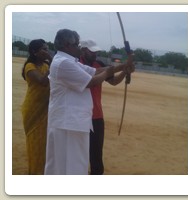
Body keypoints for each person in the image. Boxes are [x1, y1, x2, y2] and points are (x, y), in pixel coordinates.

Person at [44, 29, 134, 175]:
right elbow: (91, 81)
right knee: (70, 167)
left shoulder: (68, 61)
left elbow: (94, 71)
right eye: (77, 44)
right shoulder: (63, 63)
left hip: (73, 122)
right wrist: (110, 71)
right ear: (67, 45)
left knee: (71, 165)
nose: (79, 48)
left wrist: (124, 66)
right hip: (68, 123)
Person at [80, 39, 135, 175]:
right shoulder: (76, 63)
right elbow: (95, 72)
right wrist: (123, 65)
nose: (95, 54)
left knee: (96, 154)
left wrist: (124, 71)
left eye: (96, 51)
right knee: (78, 153)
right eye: (92, 51)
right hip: (79, 116)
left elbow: (114, 81)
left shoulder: (100, 63)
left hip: (96, 116)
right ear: (83, 50)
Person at [21, 39, 52, 175]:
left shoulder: (46, 65)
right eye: (44, 49)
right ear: (34, 52)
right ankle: (34, 174)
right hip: (33, 109)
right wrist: (53, 64)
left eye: (47, 49)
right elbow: (43, 81)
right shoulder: (30, 66)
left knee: (45, 144)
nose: (47, 51)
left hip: (46, 109)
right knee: (35, 145)